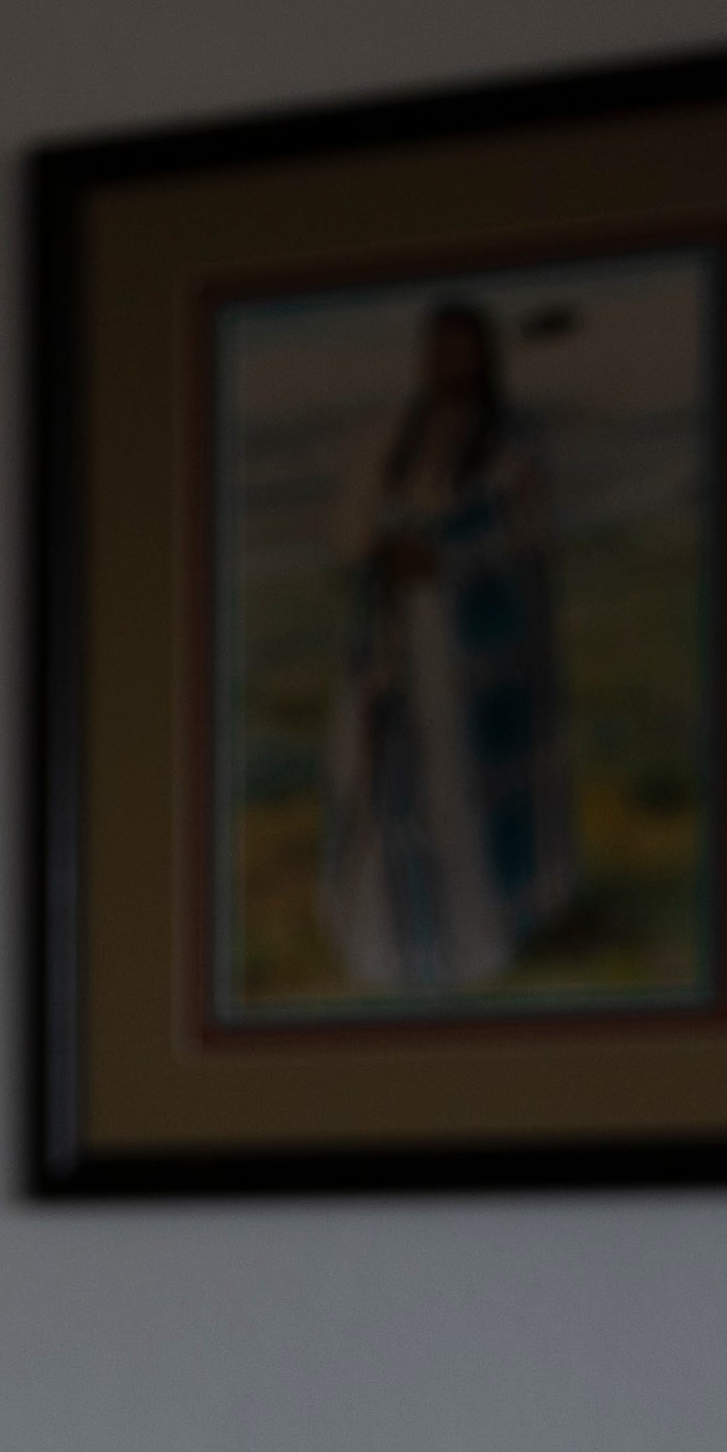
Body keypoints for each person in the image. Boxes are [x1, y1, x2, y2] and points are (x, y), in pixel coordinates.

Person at [316, 295, 578, 999]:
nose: (445, 362)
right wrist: (384, 551)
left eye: (459, 348)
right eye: (436, 348)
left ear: (483, 355)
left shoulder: (511, 449)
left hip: (467, 663)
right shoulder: (392, 441)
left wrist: (446, 561)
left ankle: (472, 941)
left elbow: (521, 540)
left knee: (459, 799)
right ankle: (384, 945)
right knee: (388, 798)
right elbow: (352, 533)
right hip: (394, 652)